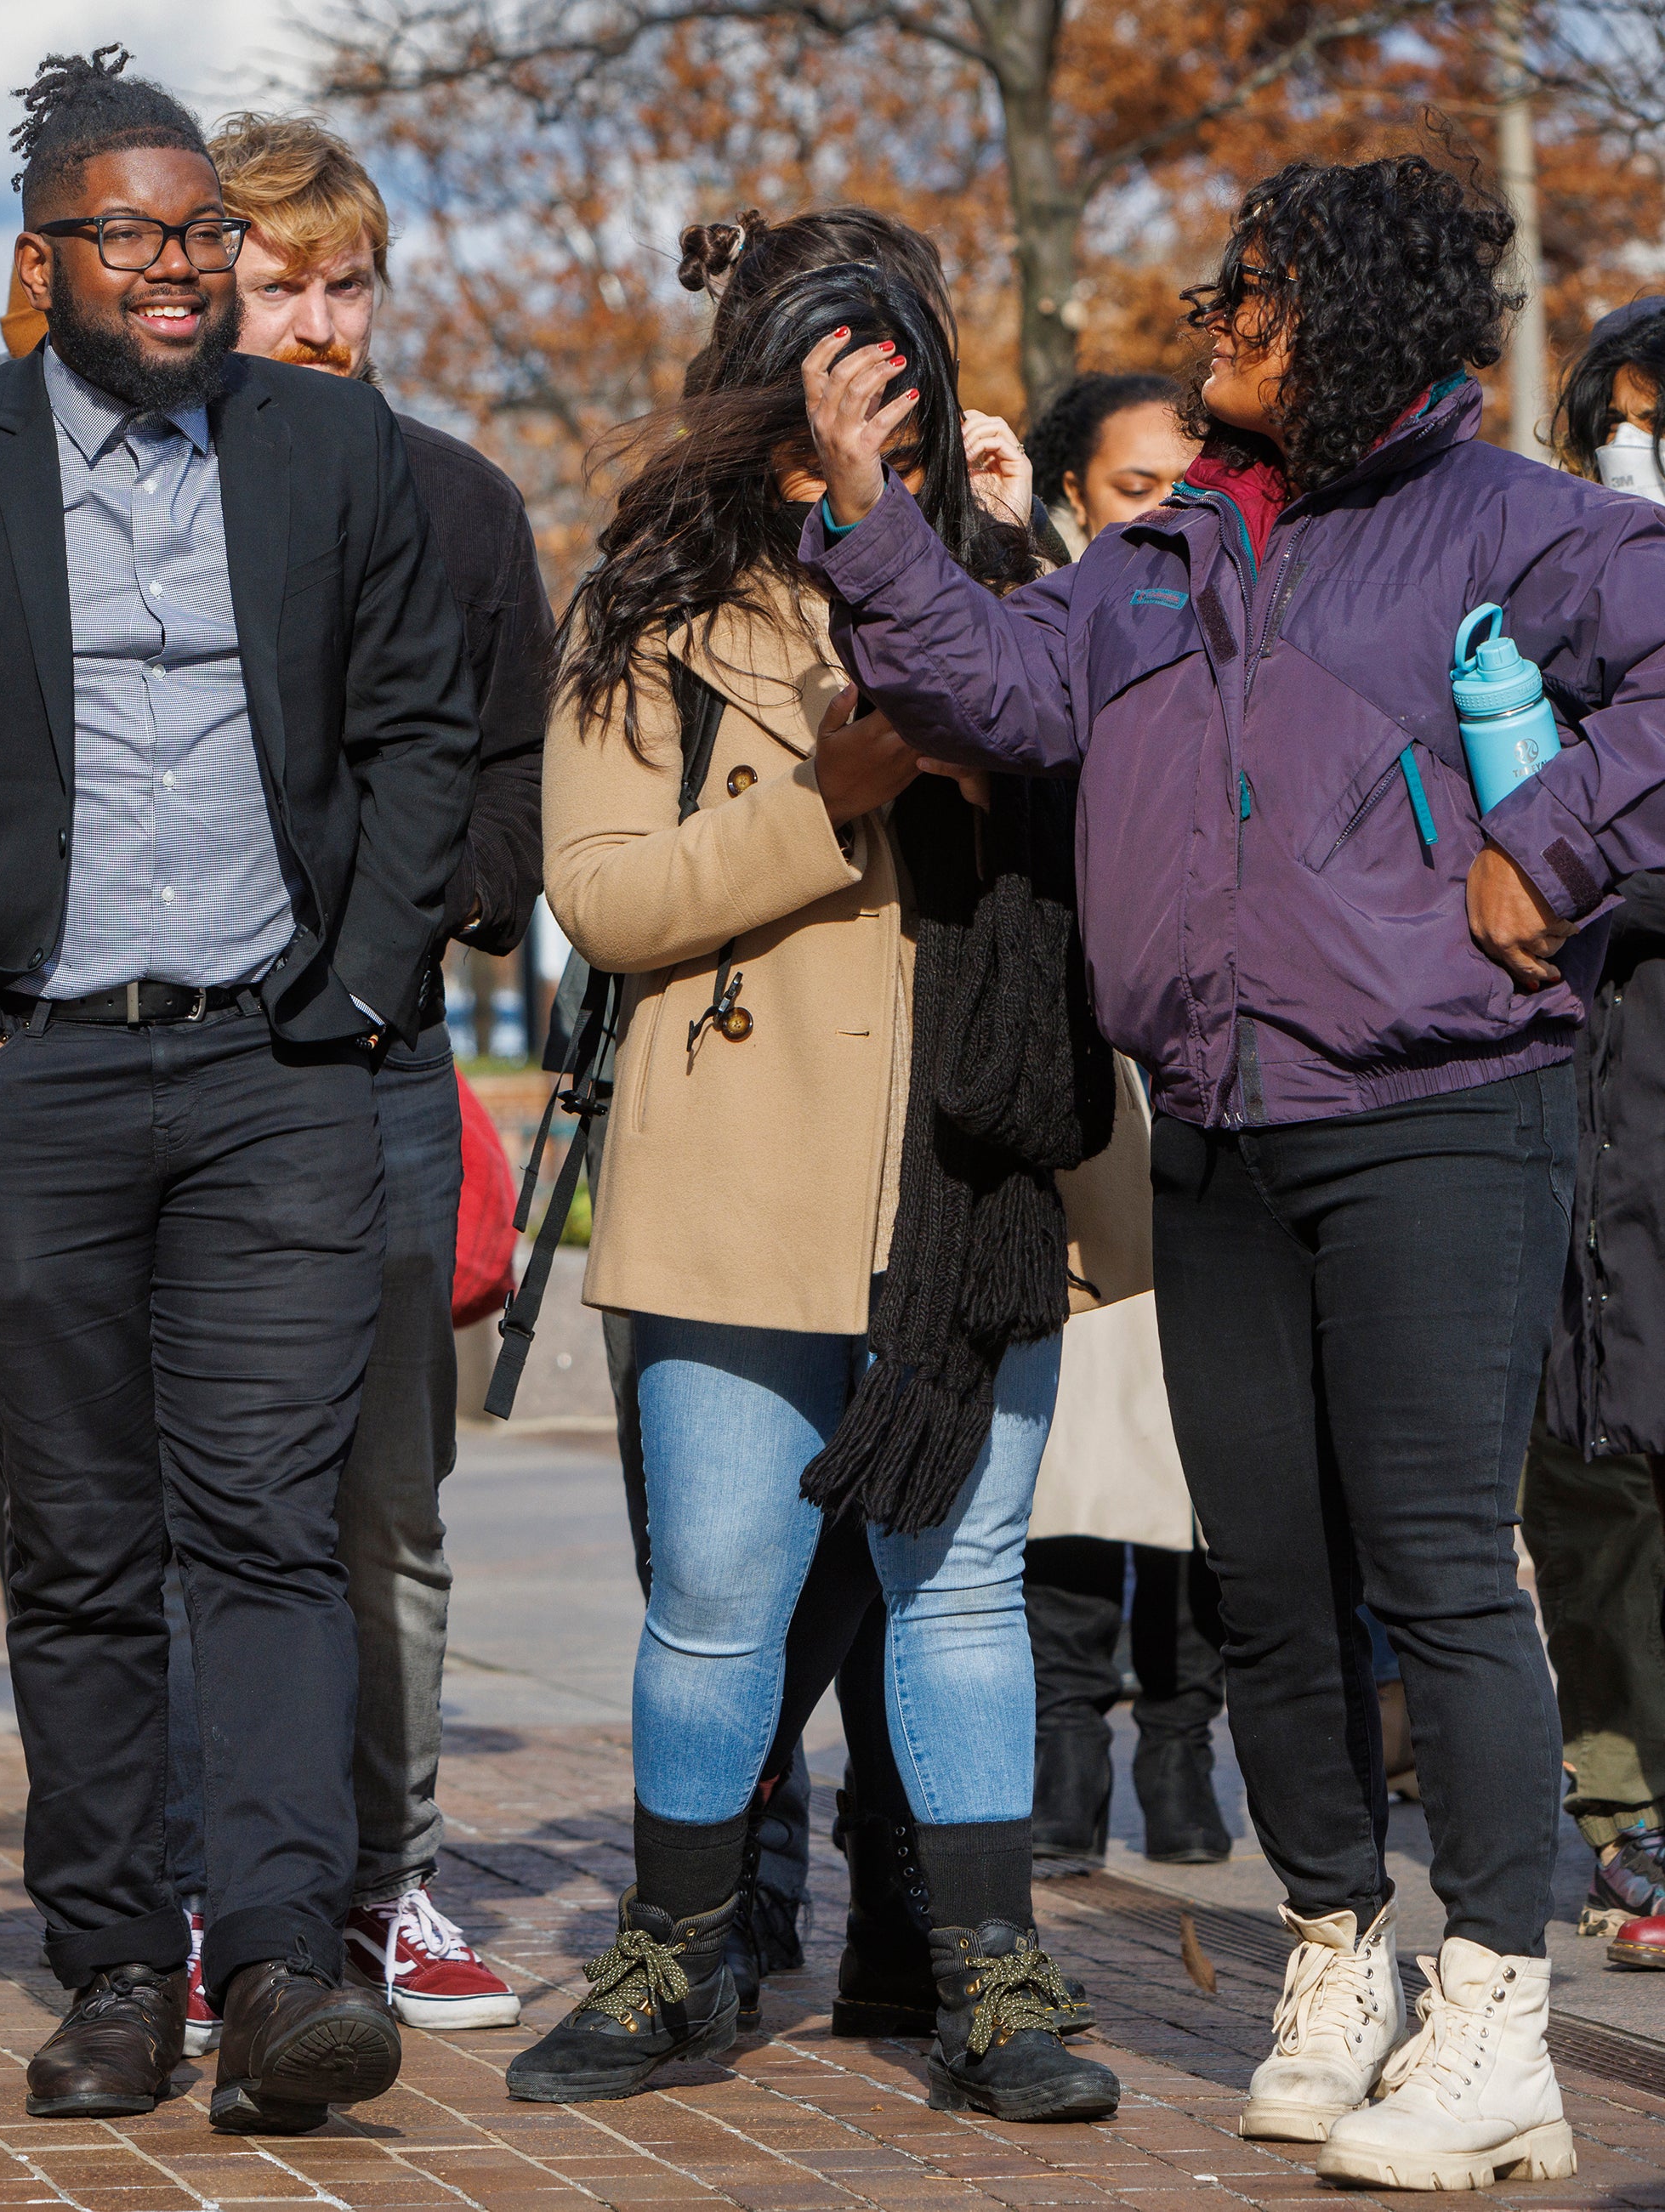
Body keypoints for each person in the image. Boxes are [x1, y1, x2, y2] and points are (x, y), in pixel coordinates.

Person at [800, 151, 1665, 2188]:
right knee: (1269, 1580)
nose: (1209, 323)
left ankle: (1498, 2015)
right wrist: (870, 517)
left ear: (1352, 309)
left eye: (1245, 296)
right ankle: (1335, 1949)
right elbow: (1003, 694)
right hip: (1215, 1115)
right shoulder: (1160, 549)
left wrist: (1547, 849)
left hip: (1443, 1106)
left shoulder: (1523, 523)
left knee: (1443, 1568)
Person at [0, 46, 476, 2135]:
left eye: (202, 237)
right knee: (77, 1540)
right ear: (45, 251)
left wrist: (354, 992)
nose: (179, 268)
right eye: (135, 235)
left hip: (276, 1070)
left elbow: (425, 733)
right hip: (28, 1073)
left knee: (264, 1526)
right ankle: (109, 1967)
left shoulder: (334, 456)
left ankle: (273, 1961)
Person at [527, 244, 1119, 2124]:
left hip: (973, 1173)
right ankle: (672, 1954)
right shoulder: (647, 618)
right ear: (759, 410)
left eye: (898, 405)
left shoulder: (1015, 603)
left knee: (963, 1592)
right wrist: (830, 795)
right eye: (825, 410)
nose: (862, 445)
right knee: (716, 1594)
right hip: (735, 1173)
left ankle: (991, 1983)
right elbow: (605, 895)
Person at [185, 107, 548, 2039]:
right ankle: (226, 1886)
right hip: (174, 1069)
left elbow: (514, 779)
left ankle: (390, 1881)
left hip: (386, 1072)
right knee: (205, 1501)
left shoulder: (463, 501)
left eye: (347, 282)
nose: (320, 318)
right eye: (279, 283)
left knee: (381, 1509)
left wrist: (404, 927)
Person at [1005, 371, 1225, 1876]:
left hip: (1201, 1064)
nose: (1161, 507)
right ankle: (1067, 1752)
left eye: (1181, 482)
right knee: (1079, 1440)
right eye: (1133, 483)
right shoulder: (1045, 619)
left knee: (1202, 1447)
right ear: (1080, 493)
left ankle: (1185, 1748)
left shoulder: (1233, 617)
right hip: (1071, 1069)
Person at [1529, 295, 1665, 1965]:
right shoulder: (1549, 610)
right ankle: (1626, 1813)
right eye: (1622, 421)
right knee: (1587, 1463)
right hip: (1576, 1081)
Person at [1020, 371, 1196, 556]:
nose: (1172, 508)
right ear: (1078, 495)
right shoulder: (1029, 582)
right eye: (1137, 489)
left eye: (1192, 489)